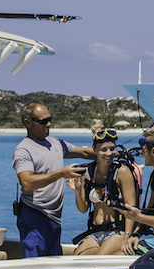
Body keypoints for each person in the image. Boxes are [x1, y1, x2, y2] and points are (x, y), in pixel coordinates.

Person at [12, 102, 94, 257]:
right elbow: (27, 183)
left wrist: (111, 153)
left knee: (52, 264)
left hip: (55, 219)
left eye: (50, 119)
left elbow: (84, 152)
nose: (49, 124)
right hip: (34, 216)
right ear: (28, 123)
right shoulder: (23, 150)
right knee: (35, 266)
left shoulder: (56, 143)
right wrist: (61, 173)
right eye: (43, 121)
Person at [69, 128, 143, 256]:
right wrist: (77, 191)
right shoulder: (88, 172)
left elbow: (131, 209)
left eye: (112, 149)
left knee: (98, 261)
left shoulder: (122, 172)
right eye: (104, 150)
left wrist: (127, 237)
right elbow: (83, 209)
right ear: (94, 150)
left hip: (117, 232)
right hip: (95, 232)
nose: (109, 153)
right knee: (77, 259)